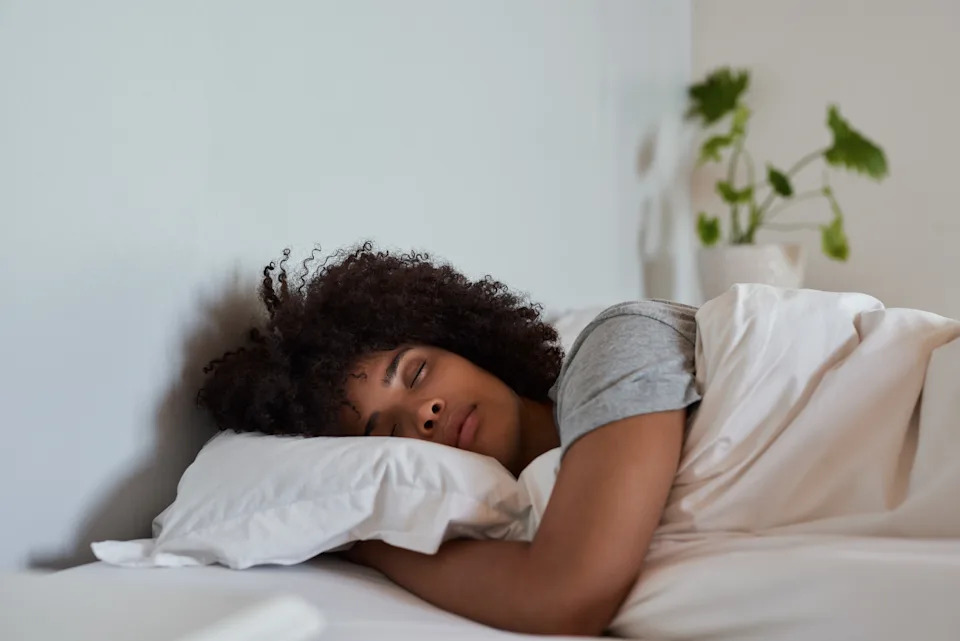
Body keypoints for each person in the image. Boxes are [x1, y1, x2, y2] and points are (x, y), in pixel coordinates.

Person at [199, 243, 700, 636]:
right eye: (389, 432)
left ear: (464, 343)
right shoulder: (523, 503)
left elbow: (568, 598)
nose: (424, 412)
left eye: (416, 373)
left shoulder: (615, 344)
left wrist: (368, 545)